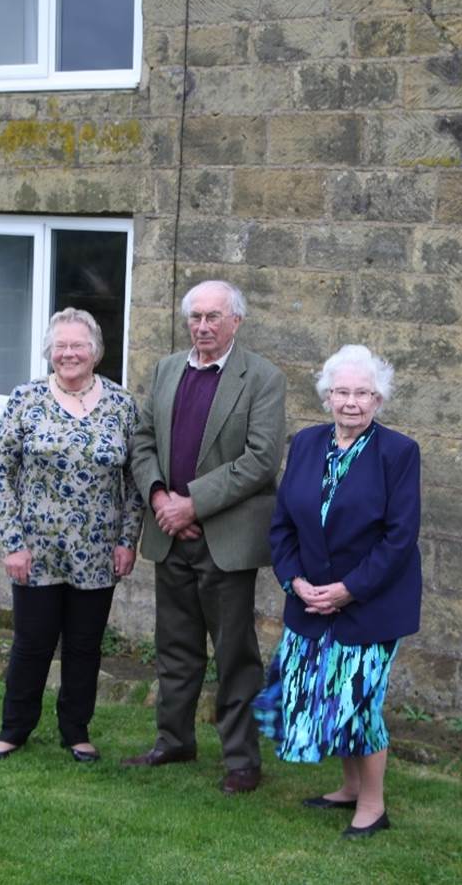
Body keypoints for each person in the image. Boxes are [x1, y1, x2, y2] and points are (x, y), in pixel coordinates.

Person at [123, 280, 286, 795]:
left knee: (234, 657)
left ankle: (242, 760)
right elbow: (142, 441)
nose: (203, 326)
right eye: (195, 317)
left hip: (226, 542)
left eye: (214, 316)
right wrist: (159, 501)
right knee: (174, 649)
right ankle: (174, 742)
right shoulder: (168, 369)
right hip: (170, 535)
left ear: (236, 321)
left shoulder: (262, 378)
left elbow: (261, 460)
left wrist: (192, 502)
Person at [256, 344, 422, 839]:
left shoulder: (399, 452)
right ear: (327, 396)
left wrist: (348, 590)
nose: (351, 402)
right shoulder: (305, 443)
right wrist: (295, 581)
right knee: (328, 696)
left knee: (359, 699)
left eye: (363, 393)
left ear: (379, 400)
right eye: (342, 392)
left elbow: (400, 536)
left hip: (370, 605)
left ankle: (373, 806)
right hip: (309, 601)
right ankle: (349, 788)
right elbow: (283, 524)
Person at [0, 308, 143, 763]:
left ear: (95, 352)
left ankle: (76, 730)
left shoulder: (121, 404)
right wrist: (13, 543)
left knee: (84, 646)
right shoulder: (25, 399)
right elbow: (0, 472)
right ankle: (14, 728)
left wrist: (127, 539)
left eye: (78, 345)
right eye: (61, 346)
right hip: (36, 551)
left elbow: (134, 480)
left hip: (97, 551)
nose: (69, 353)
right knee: (31, 643)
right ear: (49, 352)